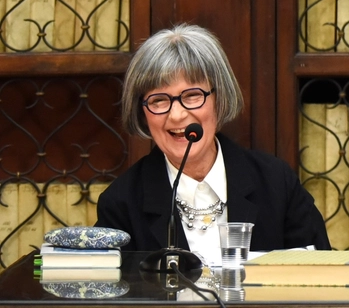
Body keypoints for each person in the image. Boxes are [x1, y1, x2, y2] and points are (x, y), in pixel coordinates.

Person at [96, 25, 329, 264]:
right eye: (158, 100)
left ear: (219, 98)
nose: (177, 115)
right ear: (142, 112)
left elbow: (324, 280)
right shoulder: (121, 203)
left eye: (192, 96)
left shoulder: (277, 183)